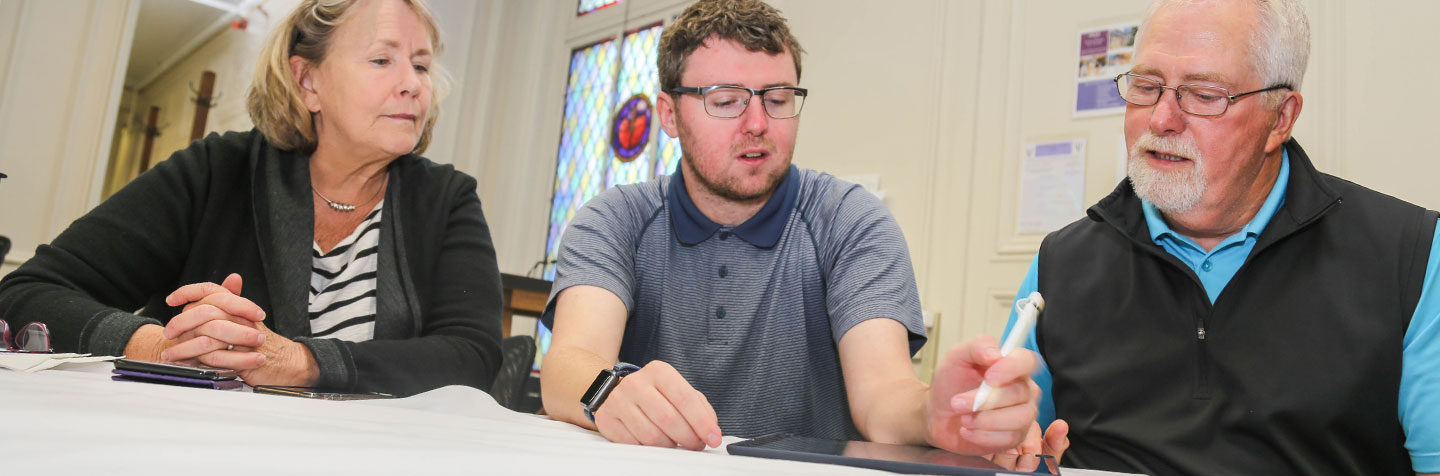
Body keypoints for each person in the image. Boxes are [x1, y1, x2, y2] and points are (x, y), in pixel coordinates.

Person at [539, 0, 1067, 464]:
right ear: (669, 114)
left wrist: (937, 415)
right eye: (725, 101)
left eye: (777, 98)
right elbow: (569, 364)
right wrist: (610, 389)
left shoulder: (850, 221)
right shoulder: (613, 218)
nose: (757, 124)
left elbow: (882, 394)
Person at [1004, 0, 1440, 474]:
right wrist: (993, 438)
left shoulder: (1411, 258)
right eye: (1146, 87)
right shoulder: (1059, 264)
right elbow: (1008, 445)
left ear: (1280, 117)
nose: (1161, 119)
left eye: (1205, 94)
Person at [0, 0, 503, 397]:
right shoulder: (217, 170)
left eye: (421, 65)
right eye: (381, 60)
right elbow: (27, 292)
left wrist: (301, 363)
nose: (414, 85)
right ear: (308, 82)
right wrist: (162, 346)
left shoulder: (447, 198)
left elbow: (473, 356)